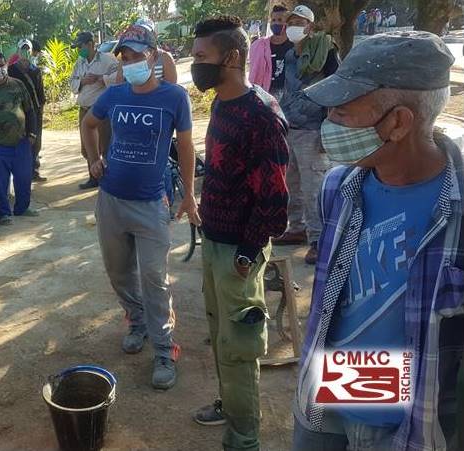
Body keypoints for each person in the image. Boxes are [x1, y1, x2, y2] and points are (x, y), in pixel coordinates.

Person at [292, 31, 463, 451]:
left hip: (414, 423)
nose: (329, 122)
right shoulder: (338, 187)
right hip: (329, 395)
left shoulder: (457, 211)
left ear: (399, 122)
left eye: (344, 111)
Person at [188, 16, 289, 451]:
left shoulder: (261, 115)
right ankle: (230, 406)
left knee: (240, 346)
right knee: (220, 332)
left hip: (238, 253)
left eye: (201, 57)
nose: (195, 66)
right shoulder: (222, 104)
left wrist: (247, 253)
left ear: (230, 57)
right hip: (215, 240)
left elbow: (274, 201)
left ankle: (244, 438)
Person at [81, 23, 199, 390]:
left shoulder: (173, 97)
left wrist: (190, 194)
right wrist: (93, 160)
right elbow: (88, 124)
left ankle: (164, 349)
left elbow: (185, 148)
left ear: (153, 55)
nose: (130, 62)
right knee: (119, 272)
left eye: (137, 55)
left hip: (151, 203)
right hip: (112, 199)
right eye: (125, 57)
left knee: (154, 278)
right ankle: (136, 321)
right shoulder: (114, 96)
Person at [271, 4, 339, 265]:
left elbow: (335, 88)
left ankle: (319, 241)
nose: (292, 27)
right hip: (291, 127)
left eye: (299, 22)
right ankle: (296, 227)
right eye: (291, 23)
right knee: (292, 183)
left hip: (313, 129)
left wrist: (328, 127)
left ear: (310, 26)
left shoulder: (326, 50)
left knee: (314, 189)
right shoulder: (290, 54)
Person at [0, 52, 39, 225]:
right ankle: (3, 214)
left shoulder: (18, 85)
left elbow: (30, 110)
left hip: (21, 143)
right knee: (0, 183)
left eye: (2, 65)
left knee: (24, 178)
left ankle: (22, 208)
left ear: (6, 65)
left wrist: (32, 134)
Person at [69, 31, 119, 190]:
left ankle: (110, 179)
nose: (79, 50)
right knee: (87, 148)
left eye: (81, 46)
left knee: (106, 144)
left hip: (101, 111)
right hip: (84, 109)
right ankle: (94, 177)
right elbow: (72, 83)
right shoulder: (80, 63)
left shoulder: (107, 60)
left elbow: (120, 77)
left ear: (90, 44)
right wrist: (82, 81)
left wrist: (102, 78)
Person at [8, 39, 47, 181]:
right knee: (21, 142)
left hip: (35, 111)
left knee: (36, 141)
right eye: (22, 49)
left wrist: (41, 109)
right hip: (19, 112)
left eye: (27, 50)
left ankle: (34, 171)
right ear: (18, 51)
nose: (25, 52)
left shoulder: (35, 70)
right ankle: (23, 173)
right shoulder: (11, 70)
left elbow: (40, 92)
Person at [248, 4, 294, 100]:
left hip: (289, 95)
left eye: (280, 20)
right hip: (265, 94)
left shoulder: (294, 45)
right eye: (273, 20)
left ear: (288, 23)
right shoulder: (260, 46)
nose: (276, 23)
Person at [134, 18, 178, 83]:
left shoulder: (165, 57)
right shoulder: (127, 59)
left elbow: (171, 89)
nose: (142, 35)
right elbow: (120, 86)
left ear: (154, 34)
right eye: (139, 32)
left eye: (146, 32)